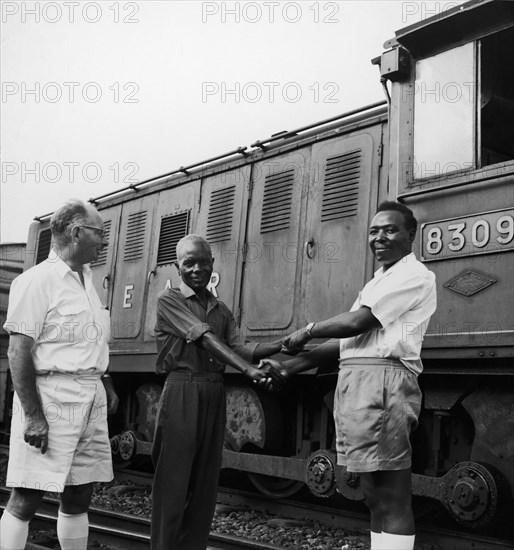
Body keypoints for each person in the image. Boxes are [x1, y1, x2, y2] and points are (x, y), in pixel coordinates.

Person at [260, 201, 436, 550]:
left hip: (383, 385)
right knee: (372, 494)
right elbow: (350, 341)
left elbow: (359, 322)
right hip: (359, 383)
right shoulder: (380, 280)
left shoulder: (413, 275)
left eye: (390, 230)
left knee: (392, 495)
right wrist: (289, 366)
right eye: (373, 231)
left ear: (410, 235)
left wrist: (307, 331)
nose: (379, 237)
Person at [151, 234, 285, 550]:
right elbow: (205, 338)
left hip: (214, 391)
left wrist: (283, 344)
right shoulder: (168, 300)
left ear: (213, 264)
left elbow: (238, 346)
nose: (197, 268)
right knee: (173, 484)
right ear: (177, 267)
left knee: (204, 485)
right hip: (183, 390)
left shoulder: (220, 308)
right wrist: (249, 370)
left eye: (204, 262)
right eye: (189, 263)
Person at [0, 199, 119, 550]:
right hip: (51, 399)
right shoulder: (36, 281)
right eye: (99, 233)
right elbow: (18, 352)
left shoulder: (86, 280)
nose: (103, 241)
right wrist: (34, 416)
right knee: (28, 496)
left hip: (89, 398)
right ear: (76, 232)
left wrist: (106, 383)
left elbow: (88, 341)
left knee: (80, 493)